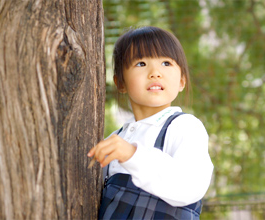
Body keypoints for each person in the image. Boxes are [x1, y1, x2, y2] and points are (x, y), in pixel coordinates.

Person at [87, 26, 213, 219]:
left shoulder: (185, 127)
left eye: (166, 63)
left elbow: (190, 186)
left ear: (181, 81)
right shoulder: (116, 139)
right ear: (120, 82)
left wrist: (132, 155)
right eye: (141, 64)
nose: (155, 72)